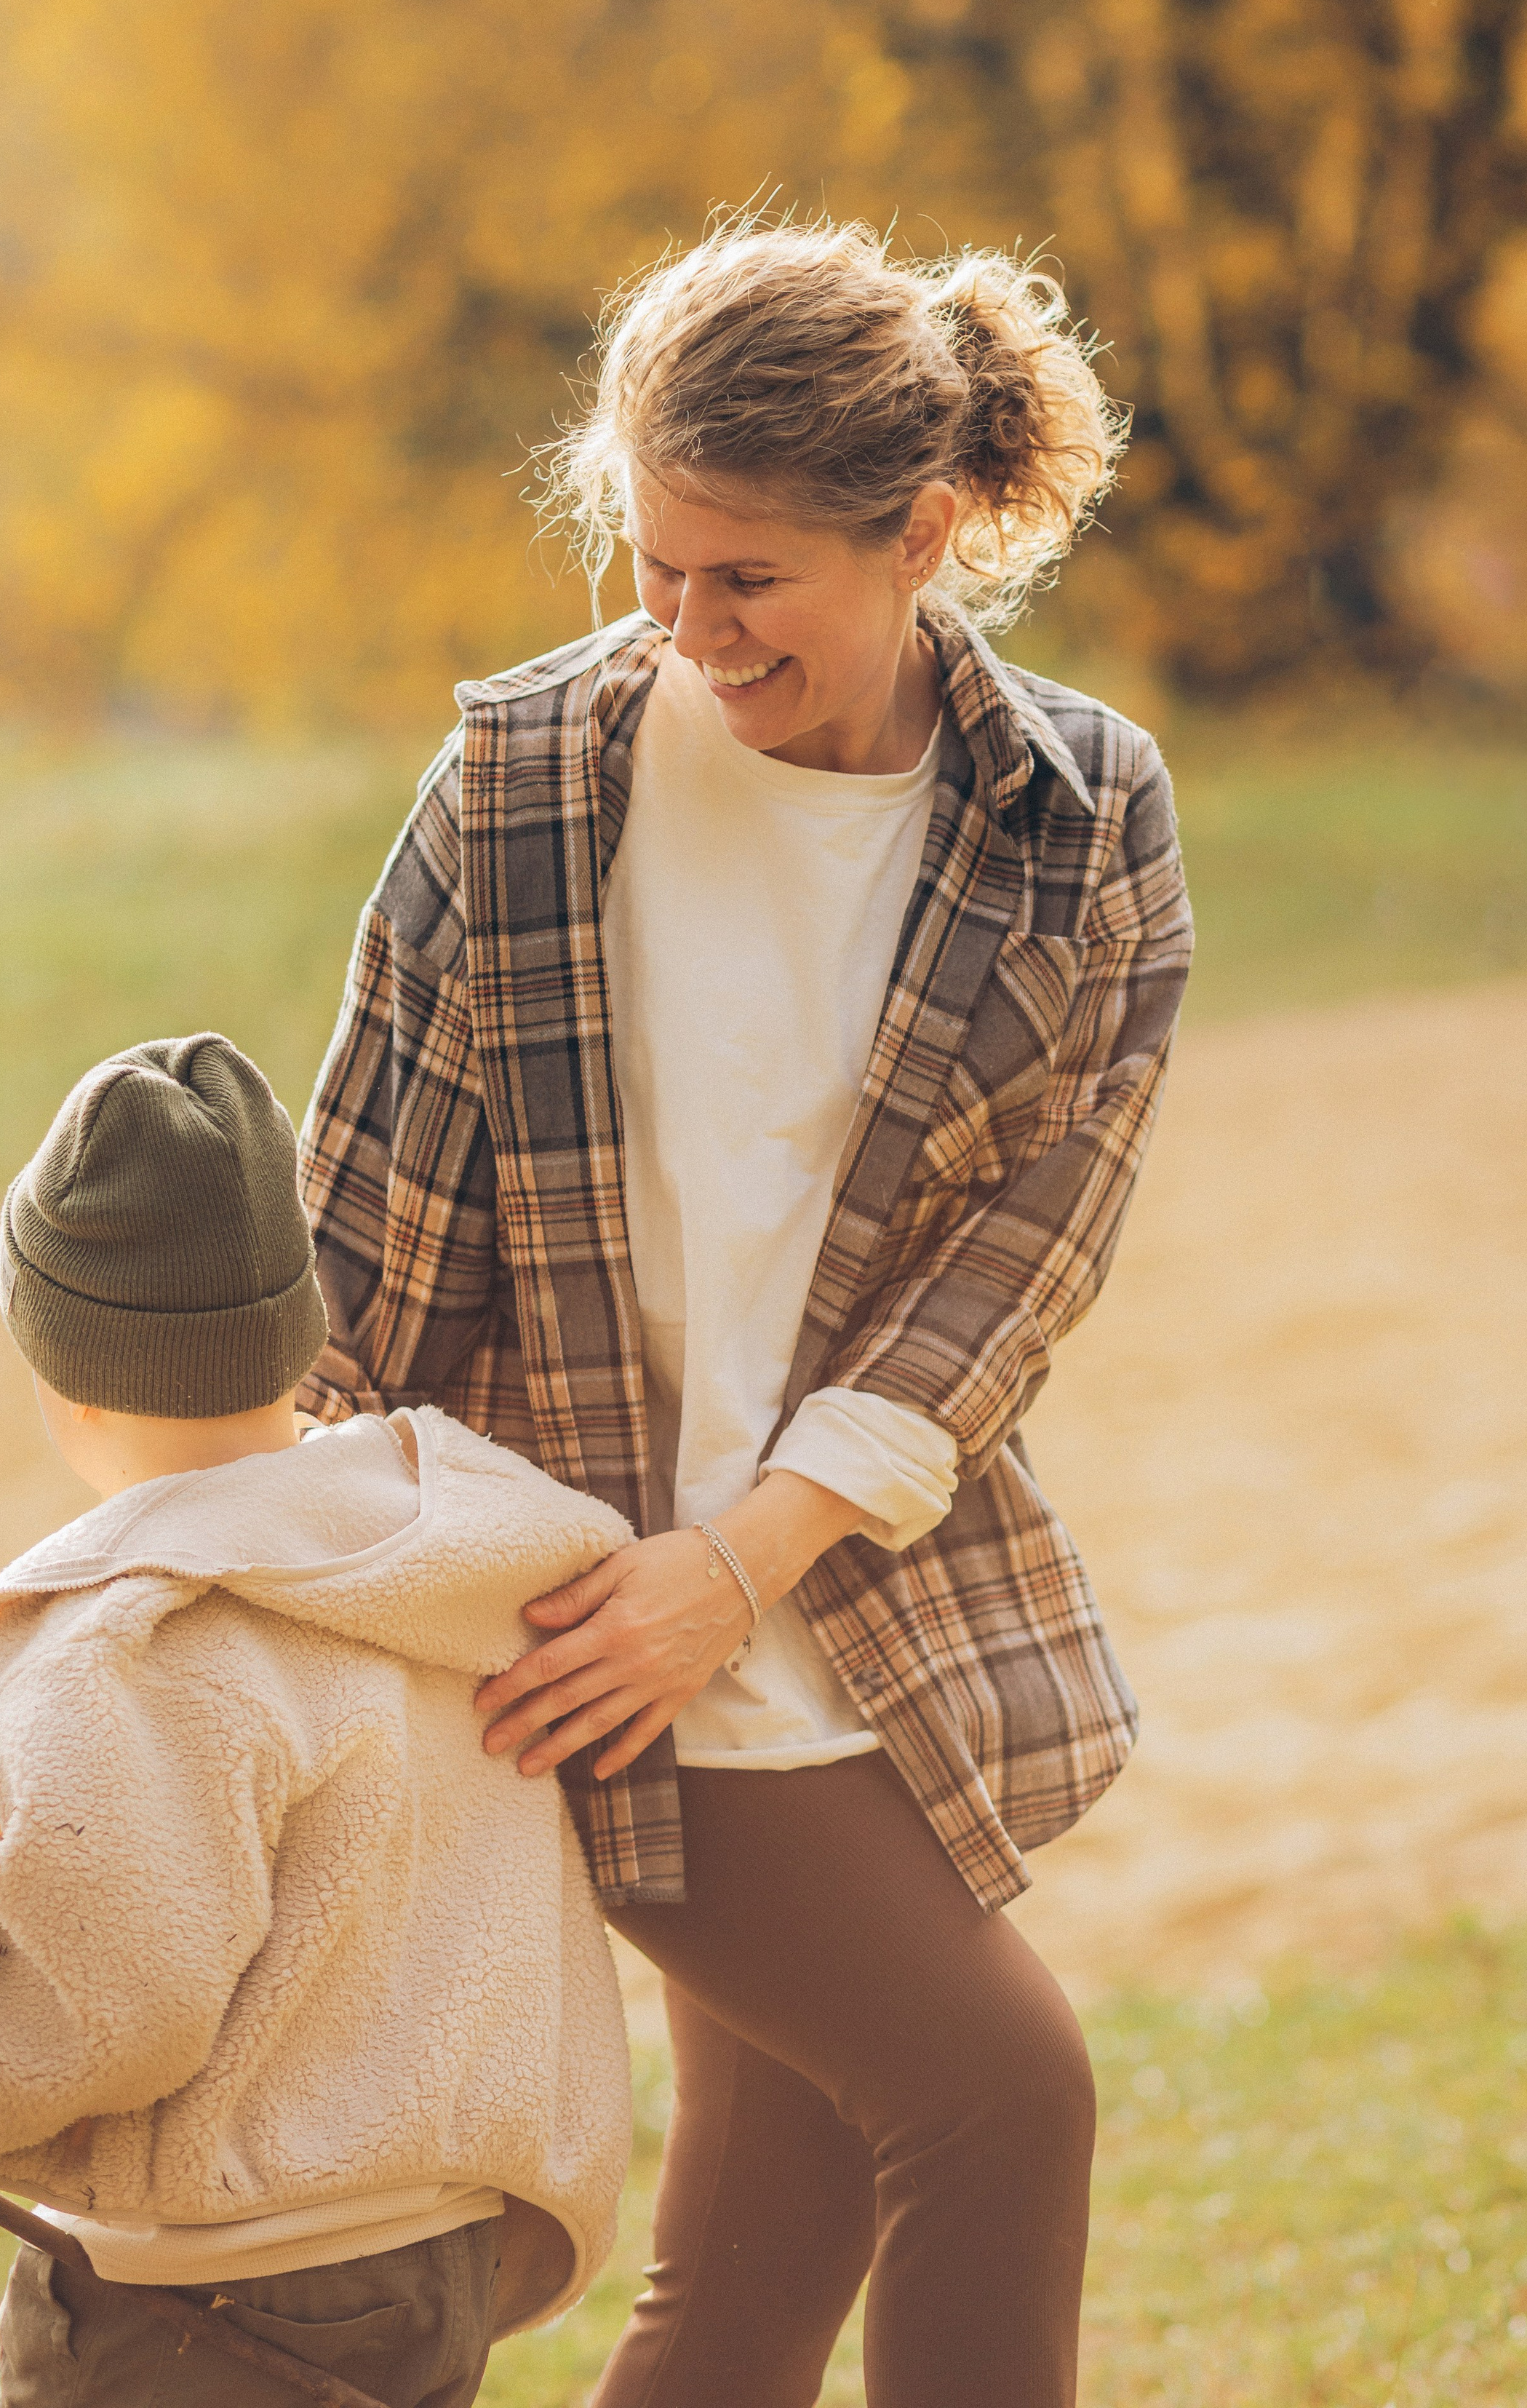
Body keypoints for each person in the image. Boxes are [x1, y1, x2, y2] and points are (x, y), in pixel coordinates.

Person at [297, 215, 1194, 2408]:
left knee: (767, 2232)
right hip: (576, 1623)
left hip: (836, 1587)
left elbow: (1022, 1268)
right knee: (1003, 2104)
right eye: (653, 563)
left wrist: (754, 1560)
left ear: (928, 531)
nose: (685, 632)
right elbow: (364, 1254)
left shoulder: (1084, 820)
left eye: (748, 580)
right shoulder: (520, 793)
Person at [0, 1033, 632, 2408]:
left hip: (225, 2289)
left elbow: (99, 1973)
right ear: (298, 1325)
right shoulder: (433, 1545)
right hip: (425, 2260)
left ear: (59, 1361)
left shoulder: (135, 1642)